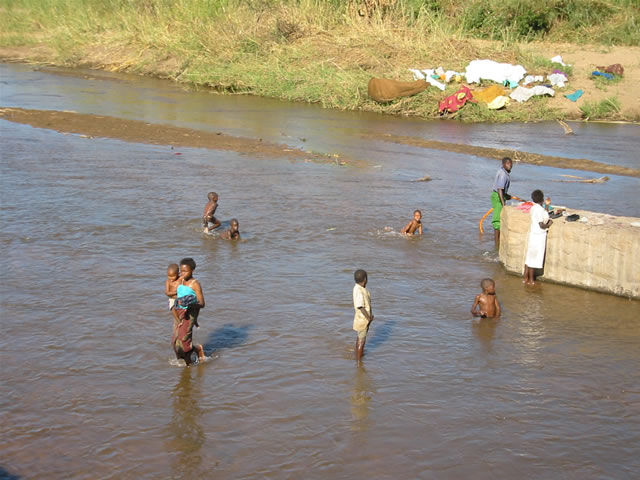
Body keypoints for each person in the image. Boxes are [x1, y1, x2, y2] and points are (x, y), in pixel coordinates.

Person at [171, 257, 206, 365]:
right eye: (181, 271)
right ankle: (193, 351)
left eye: (185, 271)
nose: (183, 273)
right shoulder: (180, 280)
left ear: (192, 271)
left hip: (190, 313)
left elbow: (202, 303)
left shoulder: (195, 284)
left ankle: (189, 364)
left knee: (184, 340)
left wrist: (190, 304)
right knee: (175, 342)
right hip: (179, 312)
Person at [524, 190, 553, 285]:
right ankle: (531, 281)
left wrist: (547, 205)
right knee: (534, 260)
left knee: (529, 259)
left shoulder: (534, 208)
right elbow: (541, 225)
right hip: (538, 236)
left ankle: (525, 279)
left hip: (533, 235)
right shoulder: (539, 210)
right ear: (542, 198)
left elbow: (543, 214)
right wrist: (549, 224)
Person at [491, 157, 513, 247]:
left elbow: (502, 190)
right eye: (507, 164)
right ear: (503, 164)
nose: (509, 165)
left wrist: (506, 196)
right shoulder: (503, 175)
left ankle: (499, 240)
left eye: (510, 163)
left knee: (500, 218)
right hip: (497, 196)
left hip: (500, 196)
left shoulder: (503, 172)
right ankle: (497, 244)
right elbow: (500, 189)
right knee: (497, 220)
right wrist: (503, 204)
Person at [352, 269, 373, 363]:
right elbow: (360, 306)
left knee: (359, 338)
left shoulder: (356, 288)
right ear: (365, 279)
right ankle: (359, 362)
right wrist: (369, 318)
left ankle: (357, 354)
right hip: (363, 319)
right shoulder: (360, 291)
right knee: (362, 340)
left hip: (359, 319)